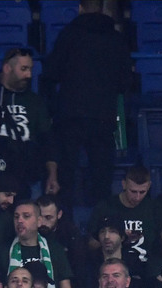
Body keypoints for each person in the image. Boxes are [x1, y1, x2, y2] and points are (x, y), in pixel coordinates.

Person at [45, 0, 130, 204]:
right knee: (101, 177)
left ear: (80, 8)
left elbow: (51, 72)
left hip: (70, 115)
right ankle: (102, 228)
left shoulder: (69, 35)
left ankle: (65, 225)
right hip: (103, 116)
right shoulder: (116, 39)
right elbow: (125, 82)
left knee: (67, 175)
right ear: (102, 9)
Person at [0, 47, 58, 194]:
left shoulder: (36, 102)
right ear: (7, 68)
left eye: (30, 69)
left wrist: (52, 175)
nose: (29, 75)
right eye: (24, 69)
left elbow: (47, 141)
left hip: (28, 177)